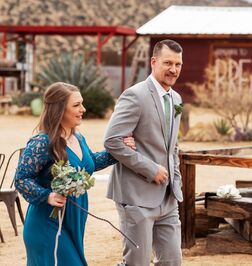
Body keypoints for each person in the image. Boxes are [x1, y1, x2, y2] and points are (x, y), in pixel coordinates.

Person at [15, 82, 135, 266]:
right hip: (48, 222)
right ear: (59, 109)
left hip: (73, 221)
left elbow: (91, 163)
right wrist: (48, 195)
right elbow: (22, 179)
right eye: (76, 105)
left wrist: (119, 151)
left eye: (82, 103)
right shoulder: (41, 142)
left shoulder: (77, 138)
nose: (83, 109)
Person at [104, 39, 184, 266]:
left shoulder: (176, 99)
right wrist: (150, 169)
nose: (173, 69)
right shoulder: (135, 95)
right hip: (136, 197)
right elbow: (112, 140)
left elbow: (172, 146)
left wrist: (175, 181)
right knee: (136, 263)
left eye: (178, 64)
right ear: (154, 62)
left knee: (172, 261)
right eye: (168, 62)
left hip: (168, 198)